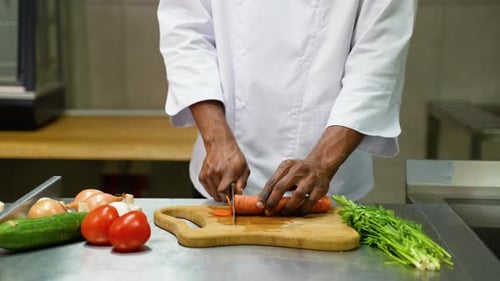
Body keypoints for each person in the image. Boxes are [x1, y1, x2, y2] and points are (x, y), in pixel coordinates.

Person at [157, 1, 417, 215]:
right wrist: (217, 140)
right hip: (223, 183)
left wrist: (322, 164)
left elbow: (376, 65)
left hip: (328, 188)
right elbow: (185, 33)